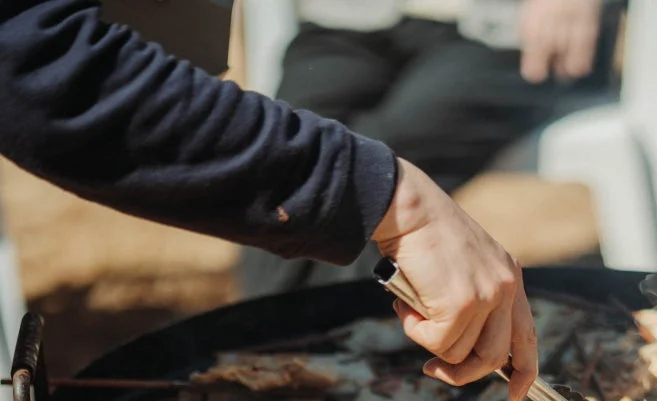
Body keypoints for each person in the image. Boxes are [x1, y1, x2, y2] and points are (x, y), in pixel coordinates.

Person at [0, 0, 538, 399]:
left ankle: (324, 371)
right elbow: (40, 68)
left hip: (495, 28)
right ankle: (295, 370)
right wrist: (385, 193)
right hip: (355, 21)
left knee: (390, 136)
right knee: (328, 132)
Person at [241, 0, 609, 298]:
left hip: (508, 29)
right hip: (346, 21)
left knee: (373, 163)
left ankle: (313, 349)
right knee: (283, 161)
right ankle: (282, 347)